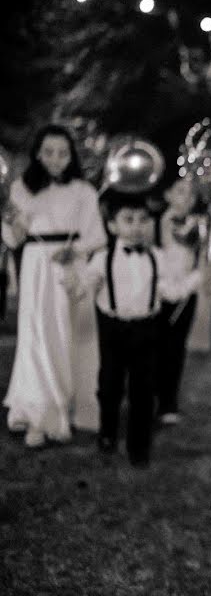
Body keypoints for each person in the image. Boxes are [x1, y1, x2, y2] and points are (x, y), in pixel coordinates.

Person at [68, 189, 201, 467]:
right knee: (110, 385)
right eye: (129, 220)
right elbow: (85, 286)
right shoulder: (102, 258)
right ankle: (107, 433)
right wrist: (71, 278)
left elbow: (171, 292)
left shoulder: (157, 257)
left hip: (147, 330)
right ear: (112, 225)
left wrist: (196, 279)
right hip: (113, 328)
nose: (137, 227)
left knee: (143, 389)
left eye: (143, 220)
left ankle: (139, 447)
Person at [1, 124, 106, 447]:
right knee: (34, 335)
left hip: (66, 266)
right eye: (48, 152)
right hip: (34, 264)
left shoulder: (84, 192)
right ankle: (32, 411)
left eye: (62, 153)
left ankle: (57, 409)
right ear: (37, 153)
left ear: (71, 155)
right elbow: (12, 239)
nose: (55, 159)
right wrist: (10, 222)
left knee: (61, 336)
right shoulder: (21, 188)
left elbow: (97, 236)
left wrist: (75, 251)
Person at [155, 177, 206, 426]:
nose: (186, 198)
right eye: (180, 191)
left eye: (191, 194)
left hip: (186, 293)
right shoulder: (155, 223)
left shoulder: (199, 228)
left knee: (176, 347)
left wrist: (190, 283)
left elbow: (202, 261)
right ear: (168, 194)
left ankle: (168, 402)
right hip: (157, 291)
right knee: (154, 346)